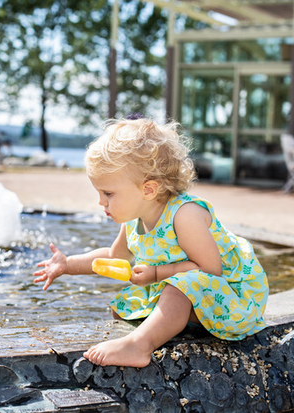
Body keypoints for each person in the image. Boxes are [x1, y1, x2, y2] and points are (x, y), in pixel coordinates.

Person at [33, 118, 269, 368]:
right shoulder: (133, 221)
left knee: (178, 289)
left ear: (148, 190)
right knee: (124, 306)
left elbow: (210, 270)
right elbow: (115, 258)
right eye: (100, 193)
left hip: (231, 297)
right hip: (193, 294)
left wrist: (157, 273)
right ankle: (152, 333)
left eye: (108, 194)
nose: (101, 202)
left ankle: (138, 346)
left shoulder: (184, 215)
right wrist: (67, 264)